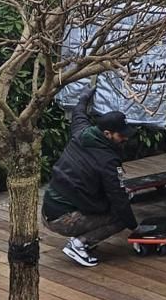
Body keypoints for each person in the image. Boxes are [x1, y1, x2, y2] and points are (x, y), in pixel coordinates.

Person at [42, 88, 138, 267]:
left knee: (117, 201)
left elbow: (79, 112)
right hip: (63, 219)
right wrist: (135, 227)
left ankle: (82, 236)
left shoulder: (82, 132)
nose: (125, 138)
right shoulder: (107, 160)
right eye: (121, 135)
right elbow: (117, 196)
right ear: (107, 134)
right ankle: (79, 244)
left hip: (49, 210)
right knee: (120, 216)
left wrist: (85, 96)